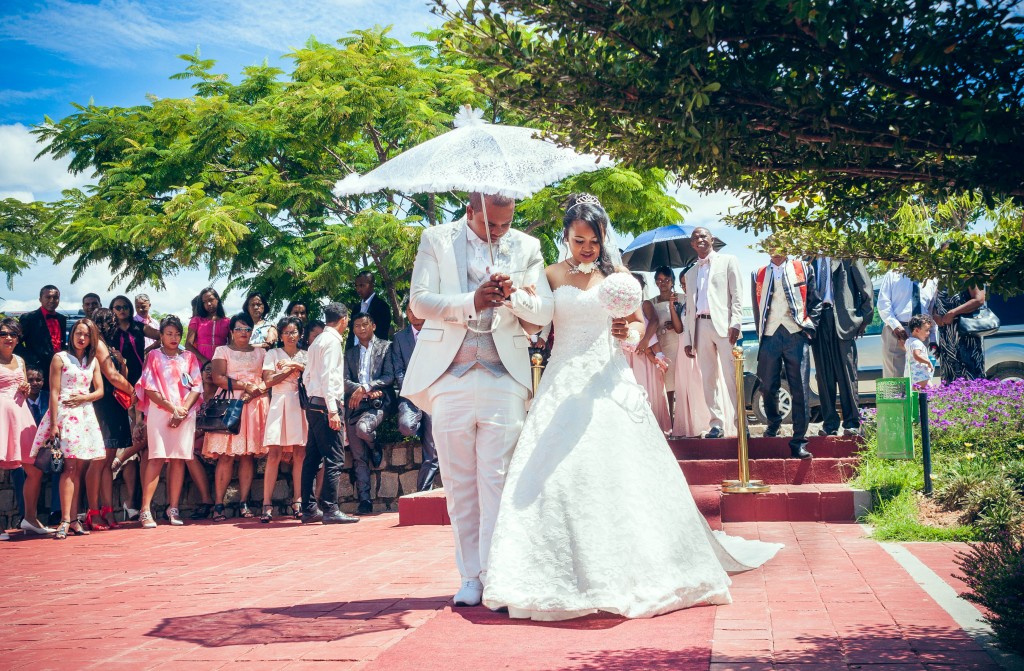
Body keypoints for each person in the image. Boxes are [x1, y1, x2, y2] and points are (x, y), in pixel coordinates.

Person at [483, 194, 781, 620]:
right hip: (562, 377)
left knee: (619, 467)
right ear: (565, 237)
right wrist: (514, 298)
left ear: (604, 236)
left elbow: (639, 324)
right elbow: (538, 322)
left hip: (607, 377)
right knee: (552, 473)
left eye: (594, 239)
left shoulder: (619, 275)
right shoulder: (548, 273)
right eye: (578, 239)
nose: (586, 248)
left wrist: (629, 328)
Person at [403, 191, 554, 607]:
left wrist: (512, 296)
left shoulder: (527, 246)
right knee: (458, 482)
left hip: (503, 373)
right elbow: (419, 301)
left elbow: (543, 311)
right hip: (448, 373)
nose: (500, 231)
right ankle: (470, 575)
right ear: (470, 212)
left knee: (499, 480)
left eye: (506, 224)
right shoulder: (435, 239)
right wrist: (471, 300)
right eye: (491, 224)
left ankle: (497, 574)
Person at [30, 319, 106, 540]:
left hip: (84, 414)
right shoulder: (60, 358)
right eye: (78, 333)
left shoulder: (93, 361)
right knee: (69, 467)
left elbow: (100, 391)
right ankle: (65, 519)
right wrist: (54, 424)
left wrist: (84, 397)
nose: (81, 338)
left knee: (78, 467)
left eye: (86, 335)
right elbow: (53, 392)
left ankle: (73, 519)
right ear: (71, 334)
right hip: (64, 413)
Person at [751, 252, 822, 459]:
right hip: (770, 335)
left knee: (799, 387)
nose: (776, 248)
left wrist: (808, 330)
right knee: (766, 385)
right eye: (771, 244)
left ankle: (799, 440)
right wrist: (761, 333)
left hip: (795, 334)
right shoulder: (759, 273)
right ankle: (773, 422)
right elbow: (757, 308)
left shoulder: (803, 268)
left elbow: (814, 301)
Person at [135, 316, 203, 527]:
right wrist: (173, 409)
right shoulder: (154, 356)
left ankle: (173, 507)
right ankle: (145, 509)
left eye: (177, 334)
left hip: (185, 413)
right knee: (156, 458)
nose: (174, 338)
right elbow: (149, 387)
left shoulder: (189, 357)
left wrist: (182, 411)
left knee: (179, 459)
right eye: (169, 334)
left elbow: (197, 386)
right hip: (161, 411)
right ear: (161, 335)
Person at [202, 314, 269, 521]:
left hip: (255, 404)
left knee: (248, 455)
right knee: (226, 455)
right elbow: (218, 378)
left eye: (247, 329)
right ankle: (219, 504)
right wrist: (245, 385)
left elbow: (267, 379)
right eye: (239, 329)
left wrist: (253, 390)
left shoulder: (261, 352)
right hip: (230, 404)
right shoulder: (222, 350)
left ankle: (244, 502)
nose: (244, 333)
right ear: (231, 331)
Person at [301, 302, 359, 524]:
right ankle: (330, 509)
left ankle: (308, 509)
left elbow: (307, 376)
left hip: (314, 403)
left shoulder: (317, 341)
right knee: (334, 459)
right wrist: (333, 410)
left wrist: (313, 399)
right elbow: (328, 377)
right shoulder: (333, 342)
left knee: (312, 458)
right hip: (327, 405)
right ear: (344, 319)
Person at [682, 228, 743, 438]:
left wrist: (736, 322)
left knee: (731, 377)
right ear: (691, 244)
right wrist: (689, 339)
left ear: (712, 239)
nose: (699, 239)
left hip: (725, 327)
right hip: (700, 326)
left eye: (703, 236)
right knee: (708, 379)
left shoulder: (728, 261)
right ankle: (716, 424)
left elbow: (737, 294)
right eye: (695, 238)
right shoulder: (690, 273)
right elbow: (690, 308)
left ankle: (740, 423)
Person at [805, 256, 874, 437]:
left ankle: (851, 423)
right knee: (824, 376)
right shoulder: (808, 260)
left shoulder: (846, 255)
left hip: (843, 320)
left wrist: (863, 320)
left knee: (846, 374)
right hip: (818, 323)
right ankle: (829, 424)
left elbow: (865, 287)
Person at [85, 308, 139, 530]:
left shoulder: (108, 345)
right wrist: (133, 392)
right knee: (99, 462)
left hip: (113, 405)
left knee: (107, 462)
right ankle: (93, 511)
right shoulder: (97, 343)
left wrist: (122, 363)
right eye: (112, 322)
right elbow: (112, 376)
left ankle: (108, 510)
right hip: (103, 405)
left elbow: (119, 373)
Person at [0, 318, 54, 535]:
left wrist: (24, 388)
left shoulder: (20, 361)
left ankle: (30, 519)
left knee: (34, 469)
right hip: (2, 417)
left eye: (13, 334)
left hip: (22, 417)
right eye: (3, 334)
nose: (9, 338)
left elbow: (22, 387)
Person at [344, 312, 396, 515]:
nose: (361, 329)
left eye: (365, 324)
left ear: (373, 325)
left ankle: (375, 447)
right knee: (358, 456)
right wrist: (359, 390)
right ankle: (364, 500)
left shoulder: (386, 347)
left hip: (378, 402)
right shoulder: (349, 353)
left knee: (363, 429)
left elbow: (389, 376)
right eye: (356, 326)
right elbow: (345, 380)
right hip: (355, 405)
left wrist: (366, 387)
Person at [260, 316, 308, 522]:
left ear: (300, 334)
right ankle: (266, 502)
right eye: (286, 332)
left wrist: (296, 365)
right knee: (274, 453)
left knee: (300, 452)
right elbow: (268, 381)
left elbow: (312, 375)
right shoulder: (272, 353)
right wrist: (289, 370)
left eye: (294, 332)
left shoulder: (305, 355)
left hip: (299, 403)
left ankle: (298, 499)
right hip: (279, 402)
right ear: (280, 335)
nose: (290, 336)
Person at [389, 297, 438, 491]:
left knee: (432, 451)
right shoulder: (400, 338)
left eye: (417, 310)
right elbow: (398, 369)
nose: (414, 314)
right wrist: (412, 390)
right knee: (406, 426)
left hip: (434, 395)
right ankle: (422, 425)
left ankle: (424, 491)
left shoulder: (437, 333)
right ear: (406, 313)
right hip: (411, 395)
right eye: (410, 310)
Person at [670, 274, 715, 437]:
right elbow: (678, 329)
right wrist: (672, 307)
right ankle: (692, 426)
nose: (684, 287)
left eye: (686, 283)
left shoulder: (702, 301)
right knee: (687, 386)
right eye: (682, 284)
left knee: (701, 386)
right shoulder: (681, 304)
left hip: (700, 345)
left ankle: (708, 424)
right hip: (684, 346)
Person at [627, 273, 671, 432]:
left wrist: (645, 342)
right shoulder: (623, 306)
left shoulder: (644, 303)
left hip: (645, 348)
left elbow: (654, 321)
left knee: (648, 388)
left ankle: (654, 426)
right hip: (630, 352)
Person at [876, 270, 937, 379]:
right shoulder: (893, 275)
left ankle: (919, 397)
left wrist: (933, 338)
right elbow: (883, 304)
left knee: (920, 375)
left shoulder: (932, 278)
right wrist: (896, 326)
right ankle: (896, 397)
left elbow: (931, 311)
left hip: (921, 332)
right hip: (896, 330)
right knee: (895, 376)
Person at [15, 285, 67, 390]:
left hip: (59, 367)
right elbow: (17, 343)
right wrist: (32, 361)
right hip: (38, 369)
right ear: (40, 299)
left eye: (55, 297)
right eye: (48, 297)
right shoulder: (29, 318)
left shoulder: (62, 319)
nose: (52, 300)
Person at [933, 285, 987, 382]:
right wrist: (935, 315)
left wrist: (953, 313)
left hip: (966, 334)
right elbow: (935, 304)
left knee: (971, 374)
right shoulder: (940, 276)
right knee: (949, 376)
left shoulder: (968, 274)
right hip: (946, 336)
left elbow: (979, 299)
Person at [652, 267, 683, 412]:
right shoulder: (651, 302)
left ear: (672, 281)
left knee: (682, 383)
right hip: (662, 346)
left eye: (666, 279)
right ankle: (669, 419)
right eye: (659, 280)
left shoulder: (682, 298)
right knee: (666, 385)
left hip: (679, 344)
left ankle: (684, 420)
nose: (662, 283)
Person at [186, 287, 230, 367]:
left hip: (221, 364)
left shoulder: (227, 322)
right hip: (200, 364)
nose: (208, 304)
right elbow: (188, 345)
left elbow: (232, 345)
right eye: (204, 302)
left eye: (211, 300)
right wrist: (205, 361)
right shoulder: (196, 320)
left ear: (217, 299)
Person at [347, 270, 392, 348]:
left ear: (372, 285)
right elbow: (352, 334)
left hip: (373, 354)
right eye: (357, 286)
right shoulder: (356, 308)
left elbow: (382, 334)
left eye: (362, 285)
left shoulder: (382, 306)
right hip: (354, 354)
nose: (358, 289)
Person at [905, 314, 935, 390]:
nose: (928, 333)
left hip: (912, 376)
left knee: (917, 397)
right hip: (921, 376)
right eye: (926, 330)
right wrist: (928, 362)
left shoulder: (908, 341)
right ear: (917, 330)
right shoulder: (917, 343)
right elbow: (916, 355)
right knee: (932, 392)